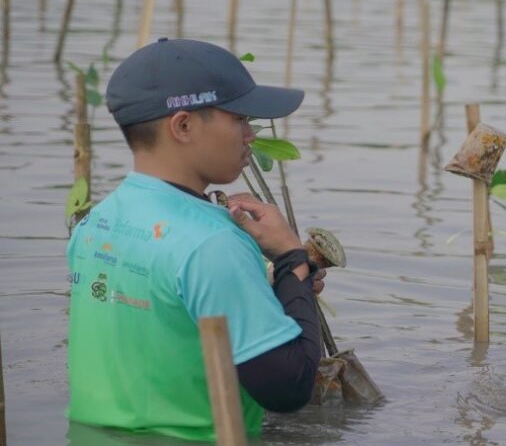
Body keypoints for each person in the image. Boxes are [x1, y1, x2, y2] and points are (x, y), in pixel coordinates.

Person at [67, 38, 325, 441]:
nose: (250, 135)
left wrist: (270, 285)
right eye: (239, 119)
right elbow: (288, 387)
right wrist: (292, 260)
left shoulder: (95, 222)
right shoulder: (214, 242)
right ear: (183, 126)